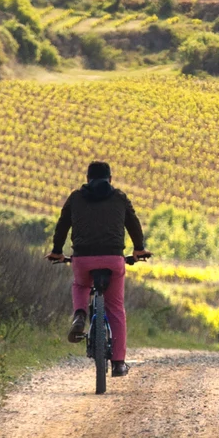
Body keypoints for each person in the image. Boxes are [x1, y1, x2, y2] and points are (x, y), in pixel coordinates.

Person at [47, 161, 151, 378]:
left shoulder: (76, 197)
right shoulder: (119, 197)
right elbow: (133, 223)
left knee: (80, 283)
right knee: (115, 308)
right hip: (113, 259)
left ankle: (79, 315)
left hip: (83, 259)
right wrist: (139, 248)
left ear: (87, 179)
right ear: (110, 179)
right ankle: (119, 364)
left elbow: (63, 225)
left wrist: (57, 250)